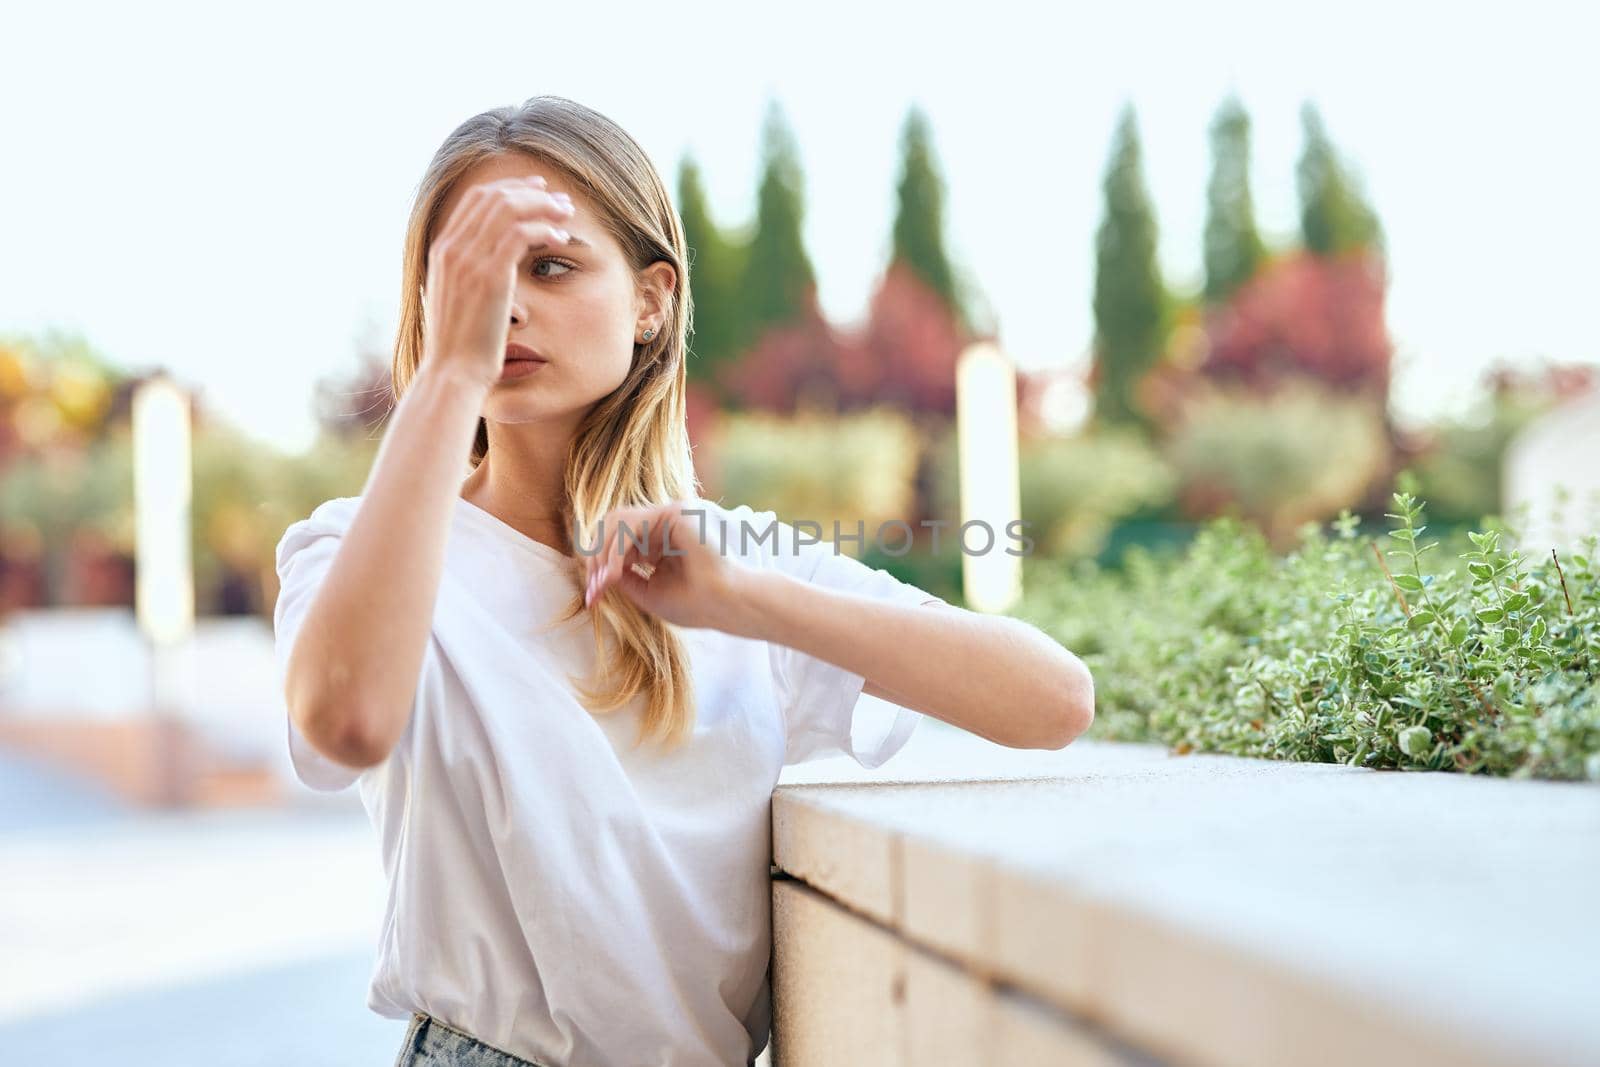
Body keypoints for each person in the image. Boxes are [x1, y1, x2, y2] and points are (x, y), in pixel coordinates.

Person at [273, 94, 1095, 1067]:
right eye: (470, 277)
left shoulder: (726, 561)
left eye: (549, 265)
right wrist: (448, 375)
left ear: (651, 299)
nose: (509, 305)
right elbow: (344, 724)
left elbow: (1051, 699)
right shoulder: (357, 550)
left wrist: (739, 601)